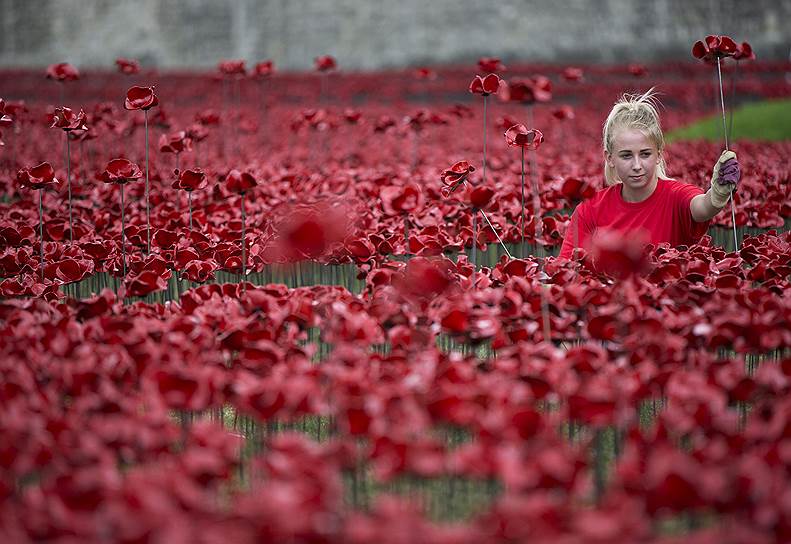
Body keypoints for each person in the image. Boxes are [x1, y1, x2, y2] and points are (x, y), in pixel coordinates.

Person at [558, 88, 740, 261]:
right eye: (626, 155)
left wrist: (717, 194)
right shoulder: (589, 210)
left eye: (645, 154)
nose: (637, 165)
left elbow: (703, 208)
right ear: (610, 157)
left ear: (659, 154)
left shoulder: (676, 197)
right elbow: (566, 269)